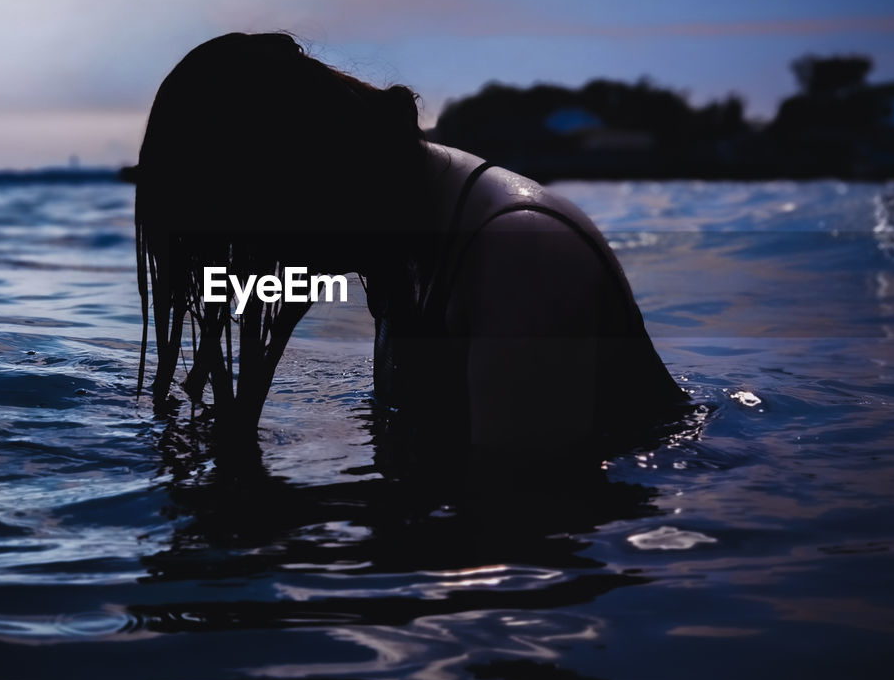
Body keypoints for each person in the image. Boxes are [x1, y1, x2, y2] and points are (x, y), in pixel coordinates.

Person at [134, 32, 687, 492]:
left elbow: (521, 520)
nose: (261, 262)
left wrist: (301, 532)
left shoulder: (520, 249)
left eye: (251, 233)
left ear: (299, 182)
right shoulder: (395, 229)